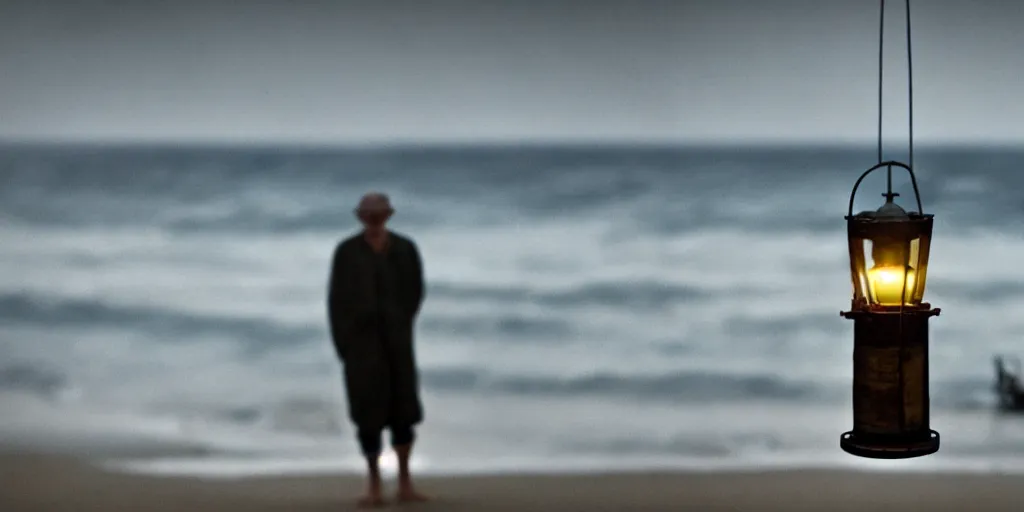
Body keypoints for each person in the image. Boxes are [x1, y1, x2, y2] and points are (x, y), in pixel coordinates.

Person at [327, 192, 428, 507]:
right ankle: (373, 484)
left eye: (378, 212)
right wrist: (345, 343)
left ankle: (405, 482)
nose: (373, 217)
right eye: (368, 212)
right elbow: (336, 301)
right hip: (361, 346)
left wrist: (401, 322)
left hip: (398, 342)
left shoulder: (405, 248)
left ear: (389, 213)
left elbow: (416, 291)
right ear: (359, 216)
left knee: (403, 413)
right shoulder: (347, 251)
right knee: (366, 415)